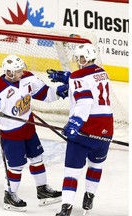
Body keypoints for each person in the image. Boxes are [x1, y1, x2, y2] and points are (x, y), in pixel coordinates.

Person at [0, 55, 67, 212]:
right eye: (19, 71)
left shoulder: (28, 78)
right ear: (10, 73)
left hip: (27, 126)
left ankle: (43, 191)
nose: (23, 72)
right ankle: (9, 195)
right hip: (10, 133)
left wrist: (60, 92)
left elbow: (45, 94)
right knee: (16, 165)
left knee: (37, 158)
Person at [48, 43, 114, 216]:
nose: (79, 60)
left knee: (72, 169)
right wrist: (68, 78)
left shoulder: (77, 76)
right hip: (106, 127)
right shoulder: (102, 71)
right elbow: (89, 84)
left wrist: (75, 123)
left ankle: (66, 207)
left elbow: (85, 101)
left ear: (86, 58)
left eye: (80, 58)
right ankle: (89, 196)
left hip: (86, 127)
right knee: (96, 164)